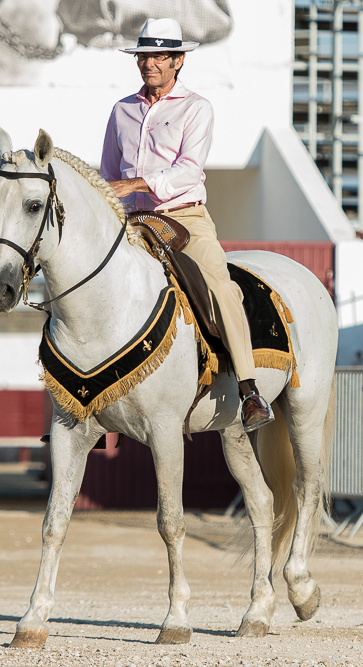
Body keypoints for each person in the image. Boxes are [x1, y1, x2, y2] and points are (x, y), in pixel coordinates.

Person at [100, 17, 273, 432]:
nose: (149, 64)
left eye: (159, 56)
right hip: (134, 221)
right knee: (89, 282)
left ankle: (249, 390)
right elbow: (108, 174)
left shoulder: (197, 108)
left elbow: (189, 171)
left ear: (178, 60)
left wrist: (138, 183)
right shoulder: (121, 110)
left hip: (184, 217)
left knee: (219, 287)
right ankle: (87, 396)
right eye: (144, 56)